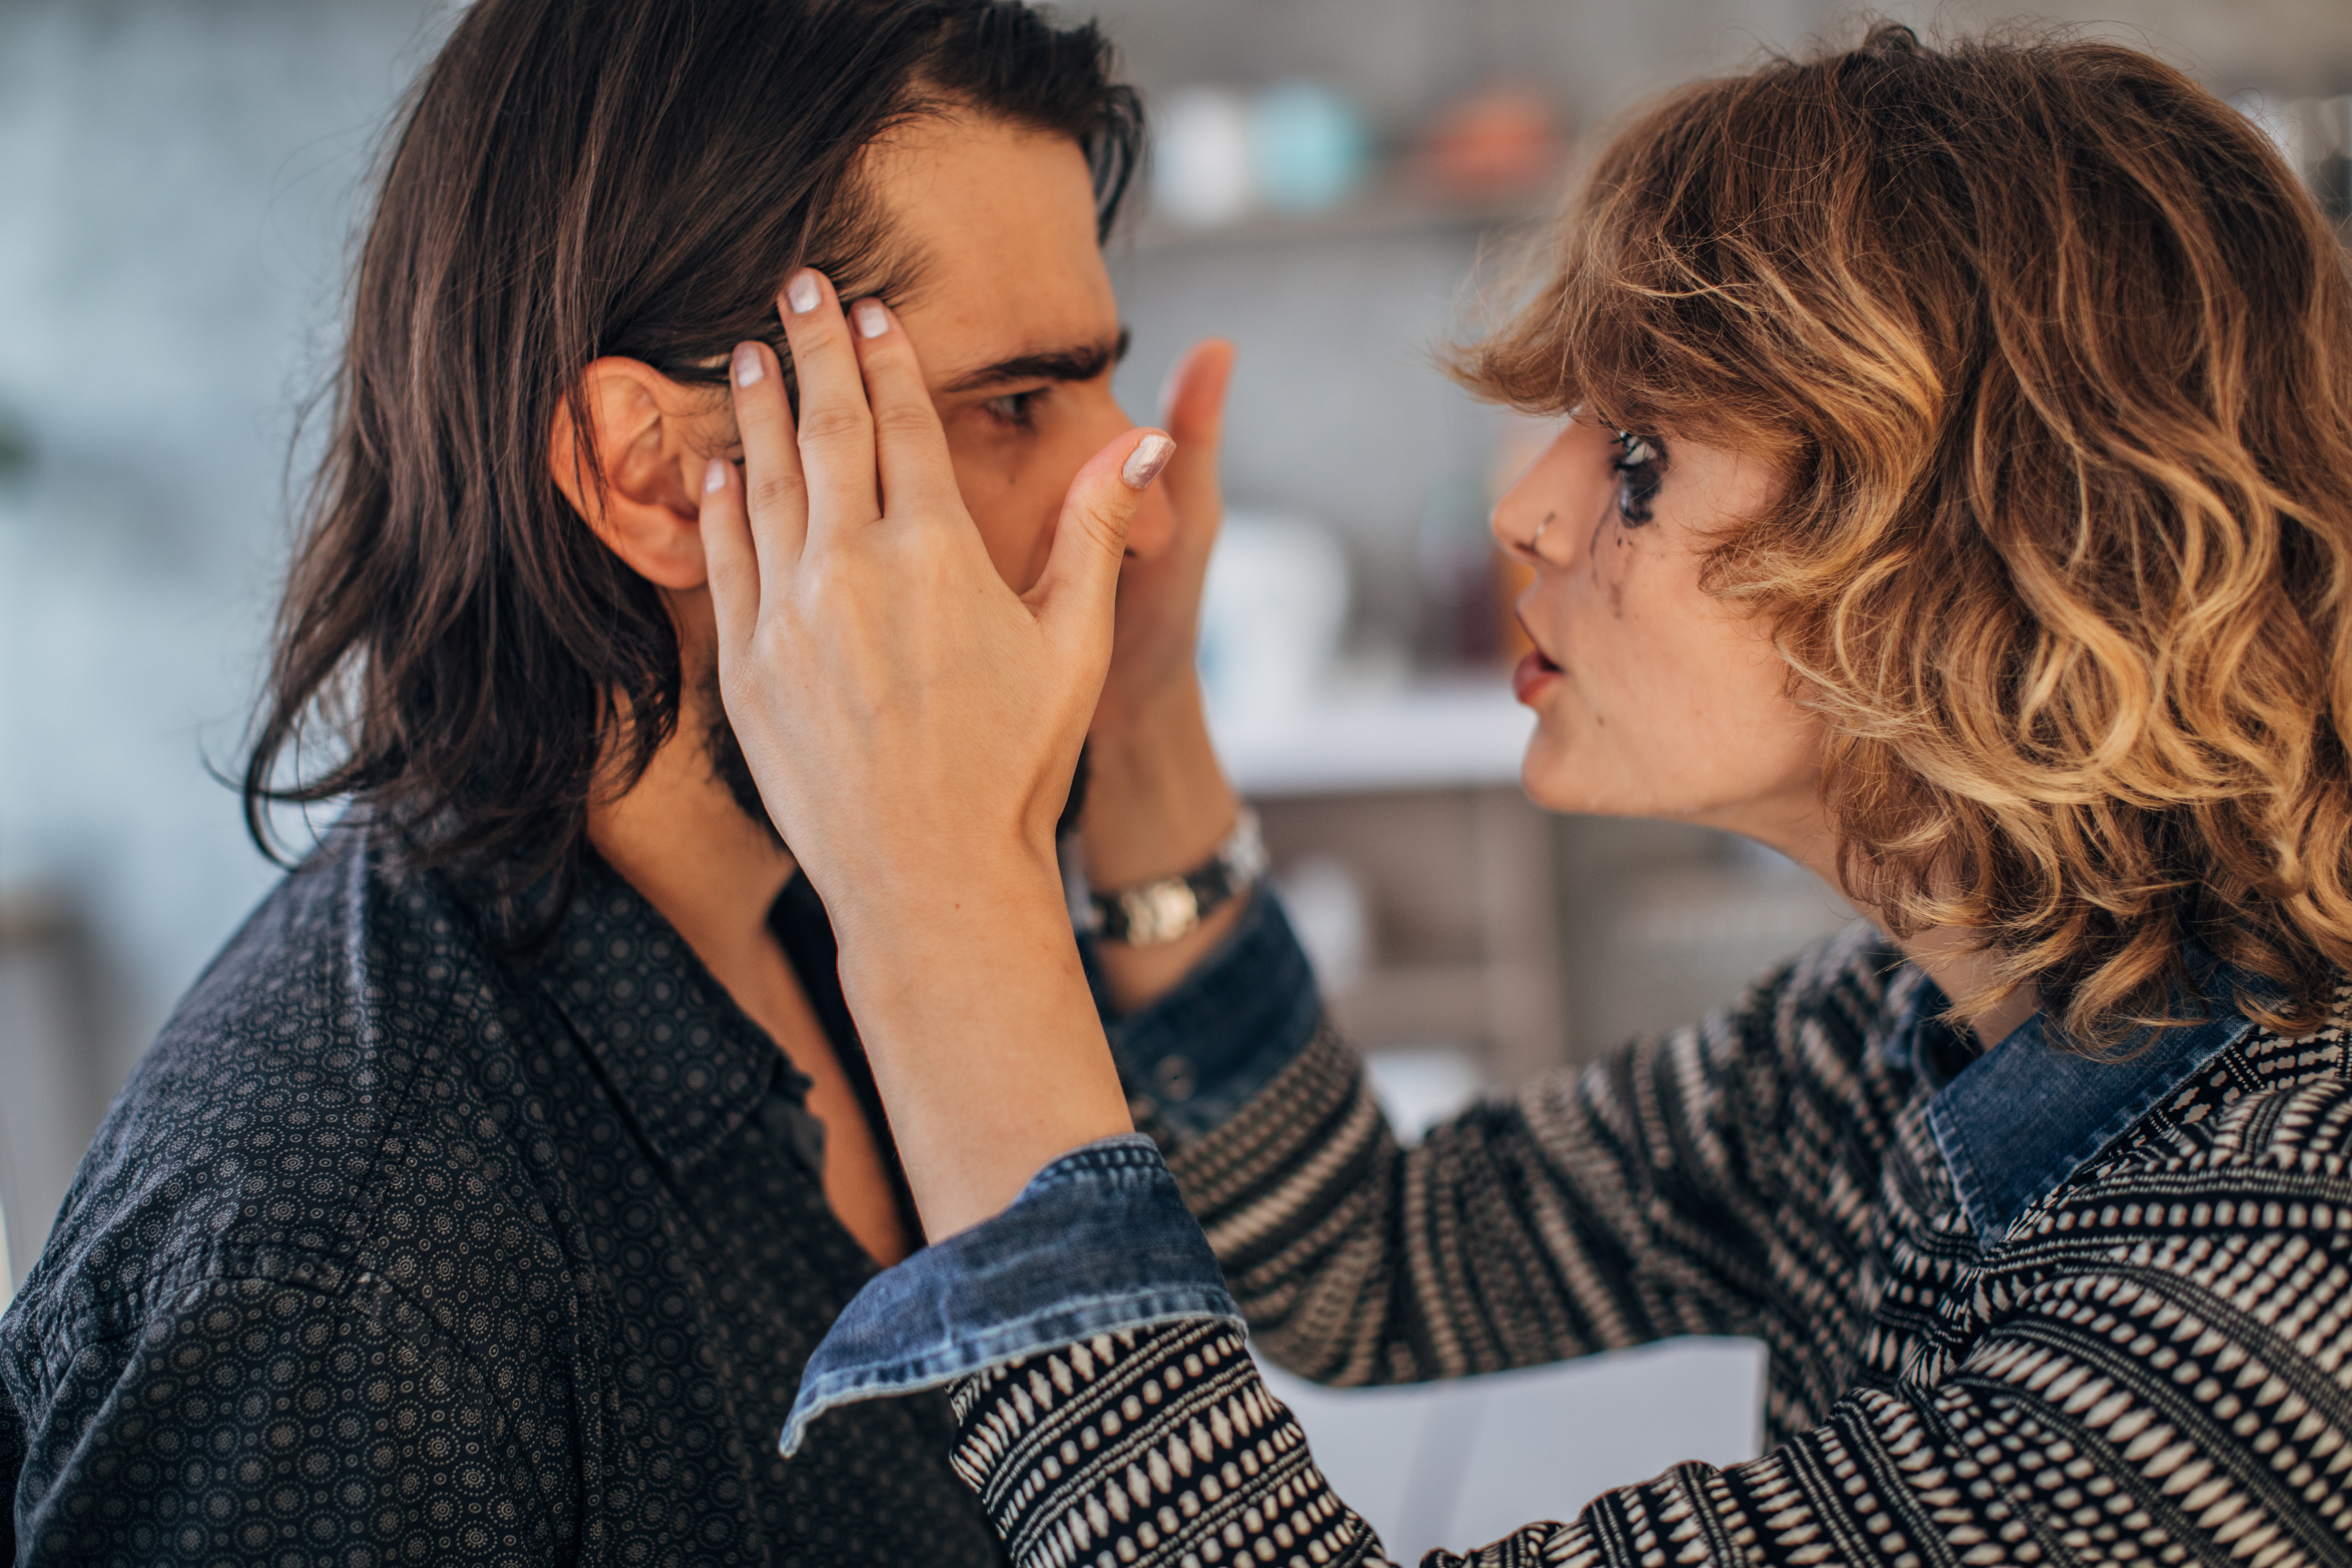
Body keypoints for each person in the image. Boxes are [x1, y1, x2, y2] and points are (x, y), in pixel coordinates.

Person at [699, 23, 2352, 1568]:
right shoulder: (1910, 1031)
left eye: (1637, 460)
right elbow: (1376, 1258)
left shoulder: (2258, 1304)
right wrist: (1140, 725)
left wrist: (941, 900)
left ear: (2002, 555)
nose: (1530, 509)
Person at [0, 0, 1247, 1561]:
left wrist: (1129, 719)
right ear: (658, 476)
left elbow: (1296, 1267)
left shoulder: (860, 923)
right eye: (1014, 404)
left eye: (1105, 389)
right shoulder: (343, 1274)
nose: (1136, 495)